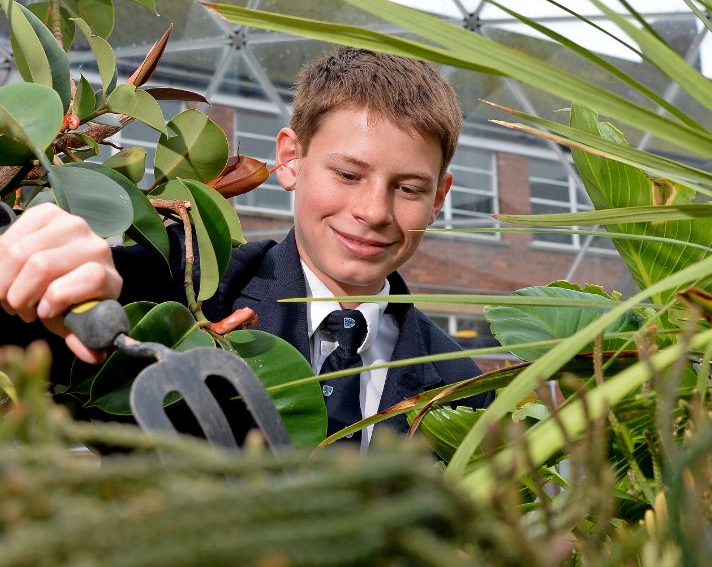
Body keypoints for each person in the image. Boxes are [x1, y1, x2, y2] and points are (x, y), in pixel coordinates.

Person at [0, 47, 493, 447]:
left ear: (439, 198)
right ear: (291, 160)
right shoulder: (180, 287)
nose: (374, 211)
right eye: (347, 174)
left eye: (408, 188)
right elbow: (28, 340)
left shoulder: (463, 386)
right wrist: (34, 263)